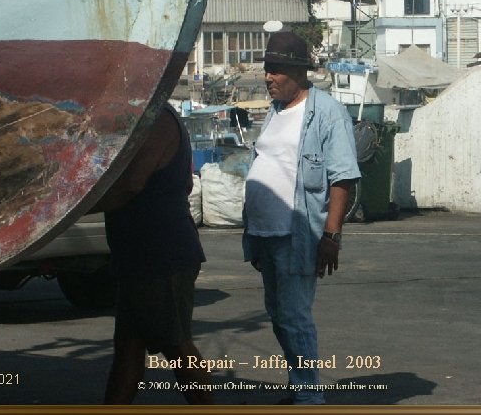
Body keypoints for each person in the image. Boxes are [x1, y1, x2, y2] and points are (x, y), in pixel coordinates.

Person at [242, 31, 361, 404]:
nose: (268, 77)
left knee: (294, 316)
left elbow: (342, 178)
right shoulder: (275, 112)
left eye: (276, 70)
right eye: (267, 69)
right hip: (265, 233)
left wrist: (332, 237)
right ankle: (300, 385)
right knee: (278, 315)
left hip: (298, 235)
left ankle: (310, 398)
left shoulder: (327, 114)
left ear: (298, 71)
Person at [91, 103, 214, 405]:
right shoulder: (140, 119)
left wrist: (77, 208)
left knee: (177, 347)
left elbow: (131, 184)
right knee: (128, 349)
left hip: (162, 256)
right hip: (137, 256)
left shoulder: (157, 121)